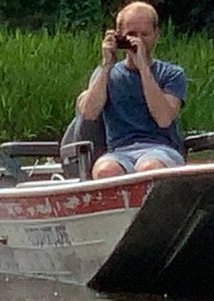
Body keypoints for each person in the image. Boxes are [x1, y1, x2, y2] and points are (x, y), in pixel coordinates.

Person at [75, 1, 187, 179]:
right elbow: (88, 113)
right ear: (120, 36)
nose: (138, 40)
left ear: (156, 35)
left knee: (149, 168)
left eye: (145, 35)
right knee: (106, 171)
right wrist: (106, 65)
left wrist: (144, 68)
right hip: (119, 152)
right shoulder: (106, 74)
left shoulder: (172, 74)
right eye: (132, 35)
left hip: (161, 150)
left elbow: (164, 119)